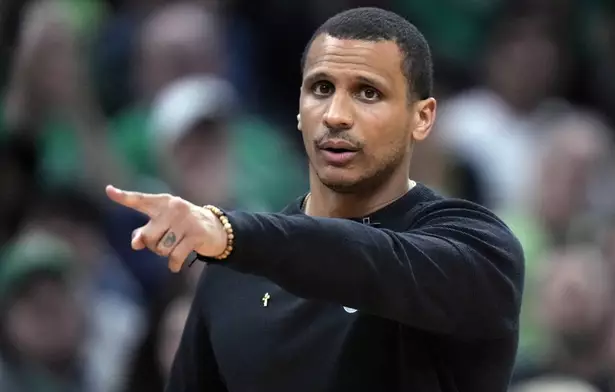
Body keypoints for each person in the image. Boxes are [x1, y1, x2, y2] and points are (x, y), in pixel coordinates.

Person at [106, 7, 525, 392]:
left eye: (368, 93)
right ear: (299, 109)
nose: (336, 115)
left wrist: (234, 234)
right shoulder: (229, 272)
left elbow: (371, 260)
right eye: (322, 88)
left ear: (422, 117)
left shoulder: (478, 246)